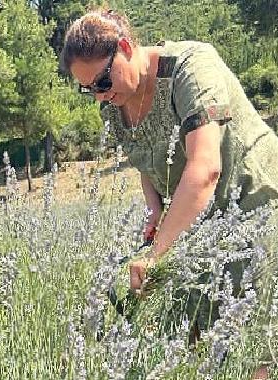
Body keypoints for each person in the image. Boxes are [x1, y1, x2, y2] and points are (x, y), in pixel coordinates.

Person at [60, 9, 278, 380]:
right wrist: (154, 210)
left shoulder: (192, 68)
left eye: (99, 82)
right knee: (195, 344)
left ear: (126, 47)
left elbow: (205, 167)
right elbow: (146, 161)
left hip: (256, 204)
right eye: (88, 89)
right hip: (197, 226)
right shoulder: (116, 101)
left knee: (257, 347)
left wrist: (157, 254)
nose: (98, 97)